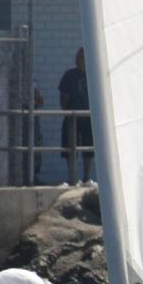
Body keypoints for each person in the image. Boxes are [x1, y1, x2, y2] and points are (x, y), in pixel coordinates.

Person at [58, 47, 93, 183]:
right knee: (70, 146)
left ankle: (87, 176)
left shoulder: (93, 75)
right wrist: (67, 111)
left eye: (82, 57)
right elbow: (63, 95)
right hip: (72, 116)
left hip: (88, 117)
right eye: (78, 57)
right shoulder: (69, 75)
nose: (79, 60)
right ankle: (73, 176)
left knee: (88, 147)